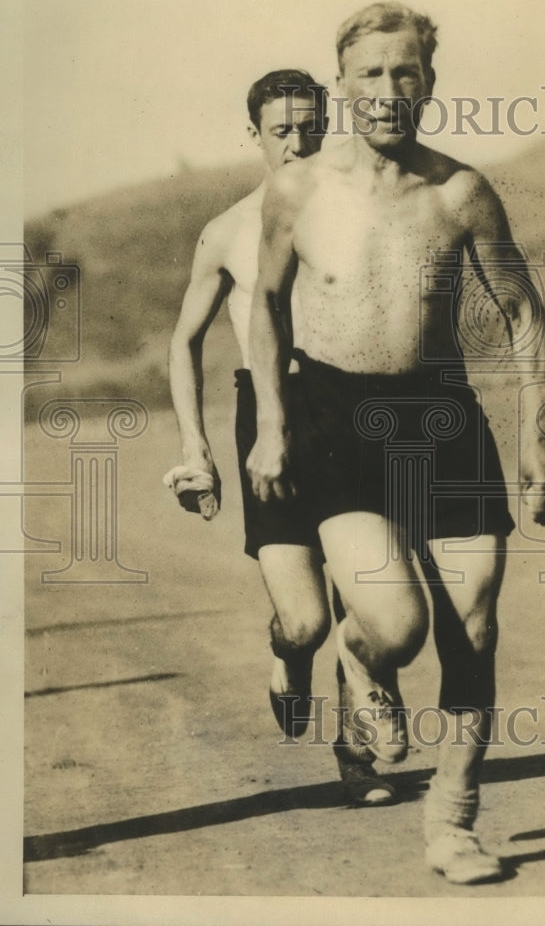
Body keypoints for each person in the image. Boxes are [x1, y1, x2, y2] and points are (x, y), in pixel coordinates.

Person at [247, 4, 545, 884]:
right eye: (370, 74)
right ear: (342, 84)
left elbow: (522, 313)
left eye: (406, 73)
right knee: (394, 626)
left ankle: (453, 820)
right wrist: (271, 423)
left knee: (473, 626)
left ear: (428, 83)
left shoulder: (459, 192)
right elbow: (267, 304)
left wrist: (539, 436)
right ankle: (360, 658)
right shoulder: (297, 189)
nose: (388, 90)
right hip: (335, 418)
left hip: (440, 415)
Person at [165, 68, 395, 806]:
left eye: (311, 127)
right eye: (281, 130)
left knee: (369, 604)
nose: (298, 142)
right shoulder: (228, 230)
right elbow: (184, 342)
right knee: (305, 621)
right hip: (269, 416)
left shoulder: (362, 213)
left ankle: (357, 757)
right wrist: (196, 450)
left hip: (354, 411)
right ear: (255, 135)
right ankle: (289, 655)